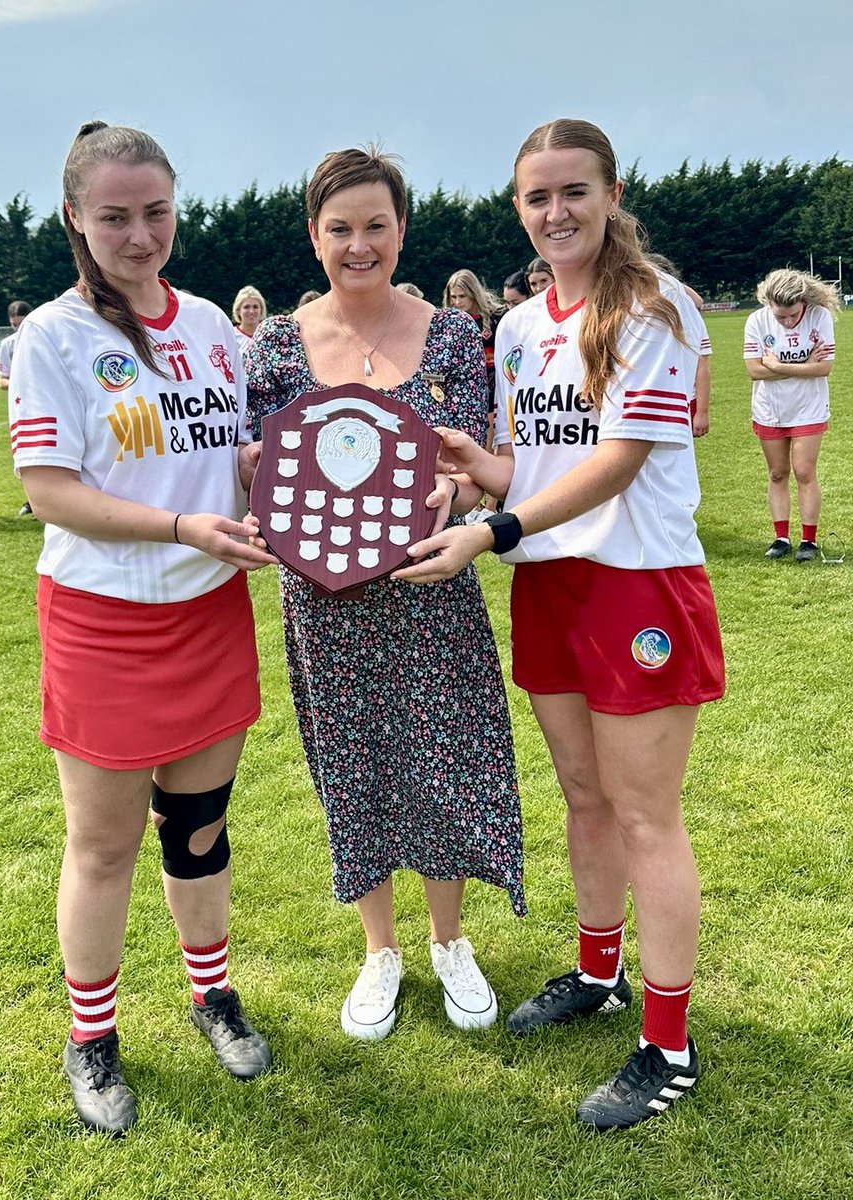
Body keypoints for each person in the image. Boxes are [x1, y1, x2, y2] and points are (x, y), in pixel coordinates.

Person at [396, 118, 724, 1130]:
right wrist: (475, 463)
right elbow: (538, 470)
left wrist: (494, 523)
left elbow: (617, 462)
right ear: (518, 210)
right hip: (549, 579)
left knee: (644, 816)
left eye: (573, 191)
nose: (556, 212)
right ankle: (598, 970)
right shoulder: (521, 325)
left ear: (612, 193)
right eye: (537, 198)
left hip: (636, 586)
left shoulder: (652, 306)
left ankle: (667, 1045)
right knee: (584, 799)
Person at [8, 121, 276, 1137]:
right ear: (76, 217)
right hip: (104, 621)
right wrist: (177, 522)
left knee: (199, 832)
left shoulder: (211, 323)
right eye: (114, 216)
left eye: (155, 212)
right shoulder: (50, 337)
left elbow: (219, 453)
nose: (138, 234)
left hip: (209, 609)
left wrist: (273, 473)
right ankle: (92, 1037)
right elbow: (49, 490)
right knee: (104, 843)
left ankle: (210, 994)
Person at [244, 146, 525, 1045]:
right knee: (354, 765)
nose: (358, 245)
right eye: (340, 229)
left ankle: (448, 942)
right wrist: (255, 478)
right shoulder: (279, 344)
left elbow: (478, 464)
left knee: (440, 764)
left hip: (429, 590)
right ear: (314, 236)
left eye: (375, 226)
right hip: (324, 607)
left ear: (402, 230)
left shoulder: (449, 334)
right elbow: (255, 464)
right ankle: (380, 951)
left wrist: (464, 496)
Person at [743, 268, 837, 561]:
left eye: (793, 315)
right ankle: (781, 537)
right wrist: (801, 368)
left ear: (803, 304)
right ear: (768, 304)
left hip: (808, 408)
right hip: (770, 409)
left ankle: (808, 541)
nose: (787, 322)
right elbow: (753, 370)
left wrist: (777, 367)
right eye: (780, 316)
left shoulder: (819, 316)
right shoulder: (757, 321)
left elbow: (824, 368)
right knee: (777, 472)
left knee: (805, 472)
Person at [645, 255, 711, 437]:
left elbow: (702, 366)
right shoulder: (639, 319)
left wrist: (702, 412)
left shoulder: (690, 320)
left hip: (682, 401)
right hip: (647, 402)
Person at [442, 268, 505, 411]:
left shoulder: (497, 316)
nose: (457, 302)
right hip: (465, 388)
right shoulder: (450, 322)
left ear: (473, 293)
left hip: (497, 383)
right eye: (454, 297)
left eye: (462, 296)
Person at [0, 300, 35, 516]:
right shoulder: (7, 345)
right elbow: (2, 381)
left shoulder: (46, 338)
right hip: (22, 409)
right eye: (14, 325)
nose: (18, 330)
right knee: (26, 457)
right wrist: (22, 382)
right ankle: (32, 500)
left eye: (22, 324)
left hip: (54, 405)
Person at [231, 285, 267, 357]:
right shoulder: (231, 335)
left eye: (255, 307)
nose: (251, 311)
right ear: (238, 311)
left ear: (261, 310)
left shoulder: (268, 335)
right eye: (246, 307)